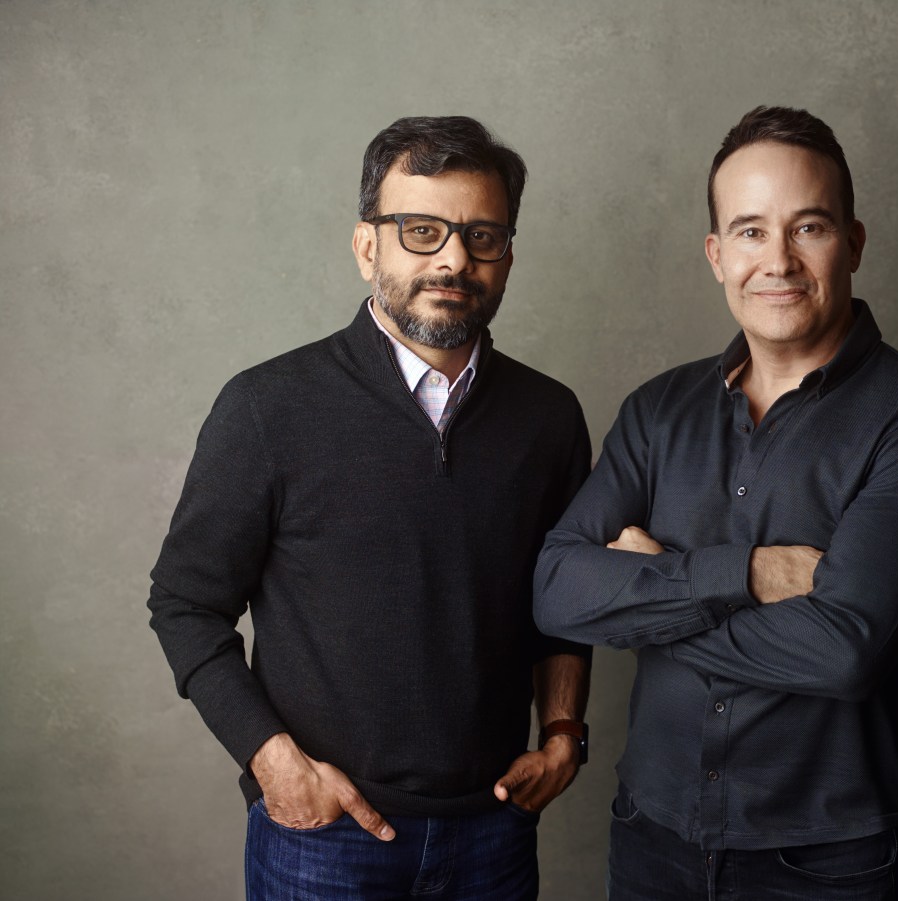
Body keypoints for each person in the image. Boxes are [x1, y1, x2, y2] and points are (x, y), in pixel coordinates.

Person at [533, 106, 898, 900]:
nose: (778, 260)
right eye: (750, 231)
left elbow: (842, 652)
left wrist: (648, 598)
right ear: (716, 254)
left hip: (825, 865)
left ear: (854, 243)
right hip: (651, 840)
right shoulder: (657, 410)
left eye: (808, 227)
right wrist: (748, 574)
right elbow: (557, 590)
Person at [148, 115, 592, 901]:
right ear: (366, 247)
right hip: (323, 836)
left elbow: (562, 605)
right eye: (421, 231)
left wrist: (563, 733)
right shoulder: (267, 406)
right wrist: (271, 759)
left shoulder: (549, 418)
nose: (454, 258)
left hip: (494, 831)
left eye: (482, 236)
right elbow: (185, 603)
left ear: (507, 256)